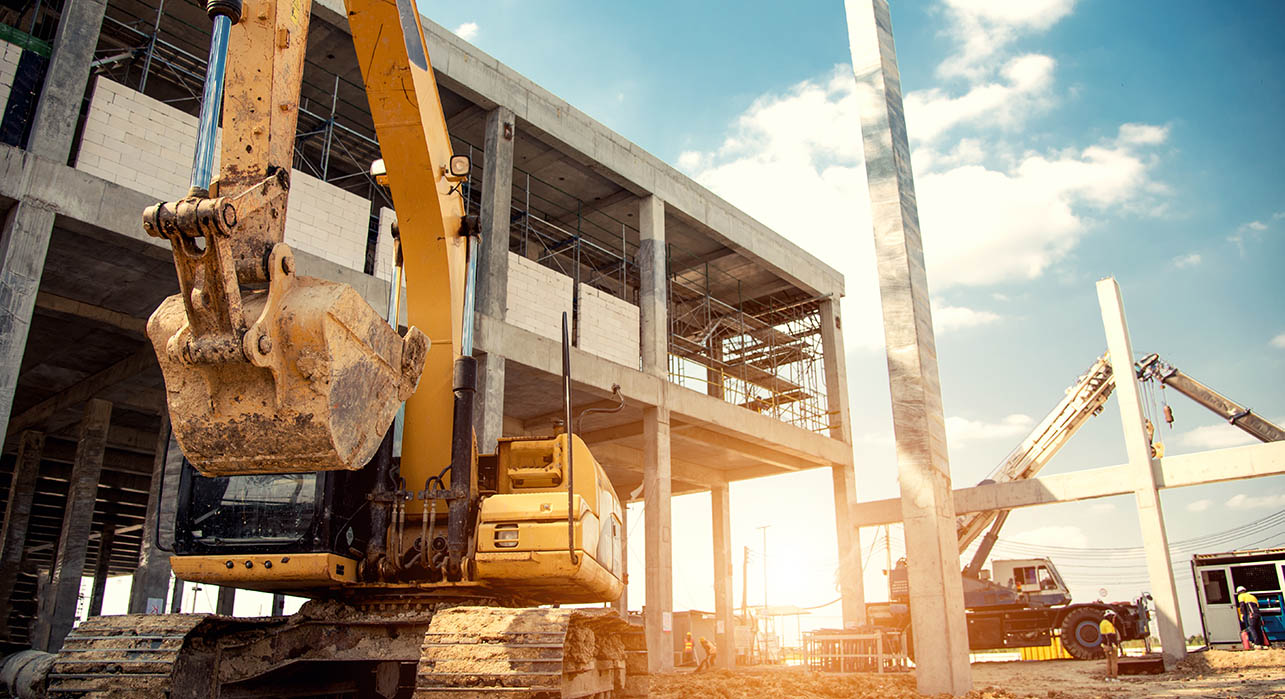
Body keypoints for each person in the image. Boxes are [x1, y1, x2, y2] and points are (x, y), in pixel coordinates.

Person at [1099, 610, 1120, 682]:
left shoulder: (1102, 623)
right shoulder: (1108, 624)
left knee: (1108, 661)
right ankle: (1114, 677)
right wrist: (1113, 644)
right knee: (1114, 661)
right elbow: (1110, 636)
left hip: (1105, 645)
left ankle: (1108, 677)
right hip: (1110, 645)